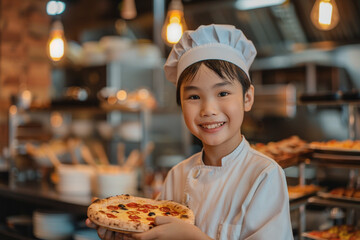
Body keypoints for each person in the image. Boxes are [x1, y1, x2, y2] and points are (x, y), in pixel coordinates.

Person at [86, 24, 293, 240]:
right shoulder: (177, 175)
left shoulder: (264, 175)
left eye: (222, 93)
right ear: (181, 105)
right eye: (194, 97)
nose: (208, 110)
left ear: (247, 98)